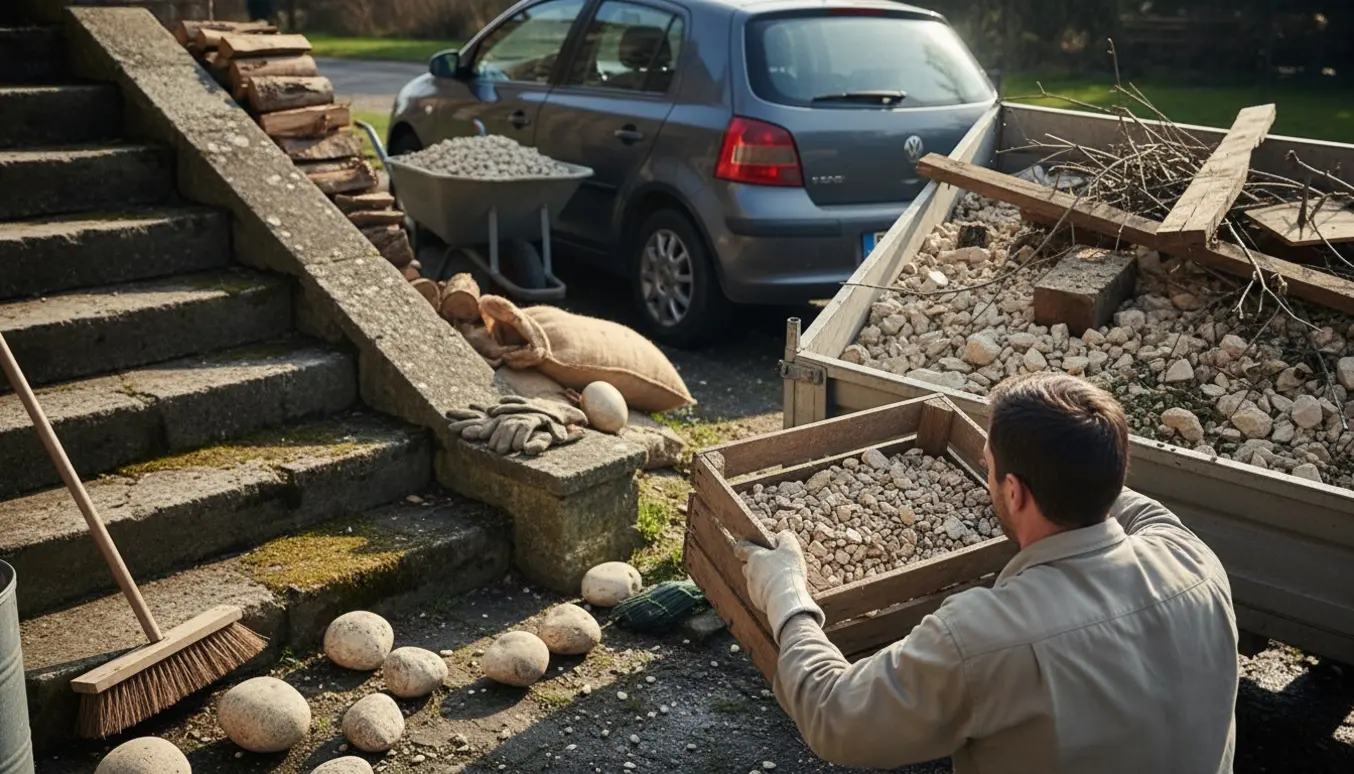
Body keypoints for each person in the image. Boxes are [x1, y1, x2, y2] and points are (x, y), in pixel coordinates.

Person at [736, 372, 1239, 774]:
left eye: (988, 465)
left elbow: (835, 715)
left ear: (1015, 493)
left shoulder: (984, 637)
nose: (982, 467)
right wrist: (1051, 465)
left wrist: (787, 594)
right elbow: (1134, 507)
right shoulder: (1195, 561)